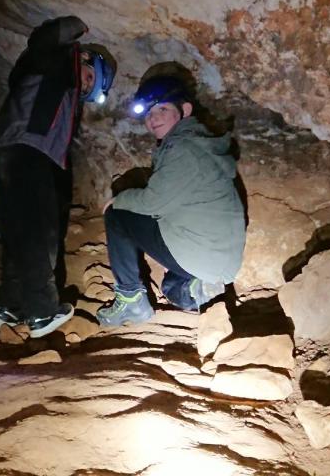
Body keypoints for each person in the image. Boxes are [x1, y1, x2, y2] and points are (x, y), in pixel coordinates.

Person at [0, 16, 115, 338]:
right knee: (40, 234)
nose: (84, 83)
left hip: (11, 153)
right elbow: (42, 41)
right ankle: (41, 312)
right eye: (89, 75)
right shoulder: (51, 64)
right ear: (81, 59)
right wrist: (76, 27)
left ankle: (9, 308)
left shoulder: (56, 86)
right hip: (26, 150)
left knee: (18, 235)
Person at [97, 74, 245, 327]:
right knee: (171, 286)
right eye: (149, 114)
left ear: (185, 110)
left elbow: (151, 203)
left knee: (118, 214)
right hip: (220, 258)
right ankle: (199, 284)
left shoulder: (182, 149)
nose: (153, 118)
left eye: (162, 109)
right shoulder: (198, 143)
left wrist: (118, 200)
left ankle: (131, 299)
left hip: (202, 251)